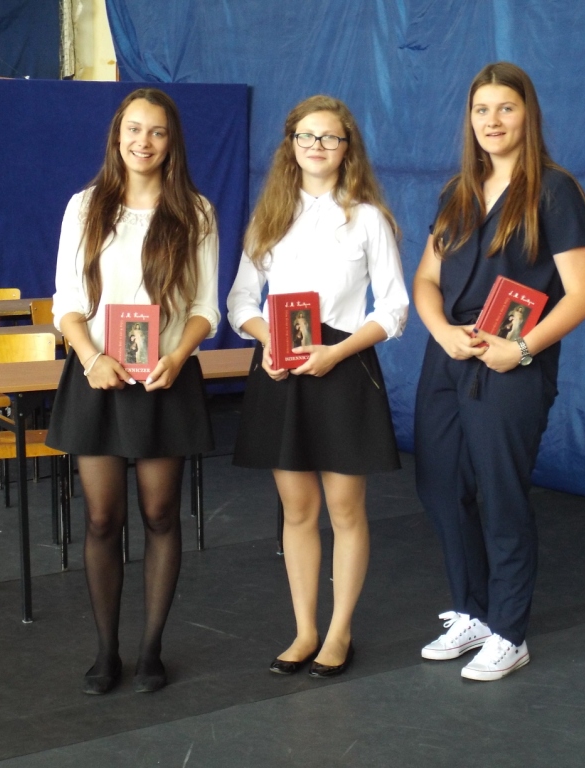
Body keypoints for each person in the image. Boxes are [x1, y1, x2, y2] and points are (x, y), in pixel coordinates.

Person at [412, 62, 585, 681]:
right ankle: (473, 611)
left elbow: (584, 294)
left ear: (528, 115)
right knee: (442, 486)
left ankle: (509, 632)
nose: (492, 121)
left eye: (505, 108)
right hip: (450, 354)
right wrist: (443, 332)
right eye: (481, 110)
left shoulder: (555, 191)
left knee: (499, 493)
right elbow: (426, 279)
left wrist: (520, 350)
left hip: (512, 361)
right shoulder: (458, 192)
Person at [227, 95, 408, 677]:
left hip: (342, 367)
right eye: (306, 136)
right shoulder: (269, 216)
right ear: (291, 145)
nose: (317, 146)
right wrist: (267, 341)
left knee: (345, 509)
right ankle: (305, 630)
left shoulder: (367, 218)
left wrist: (337, 352)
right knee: (298, 509)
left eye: (330, 137)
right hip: (280, 371)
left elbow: (395, 308)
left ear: (347, 148)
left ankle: (338, 632)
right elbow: (240, 301)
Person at [46, 88, 219, 695]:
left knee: (161, 514)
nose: (144, 141)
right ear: (117, 135)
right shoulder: (85, 207)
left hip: (165, 376)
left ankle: (150, 651)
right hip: (98, 375)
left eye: (157, 132)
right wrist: (90, 358)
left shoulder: (195, 212)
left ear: (172, 143)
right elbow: (67, 302)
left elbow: (204, 308)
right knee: (101, 518)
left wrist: (178, 355)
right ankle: (106, 651)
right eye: (134, 129)